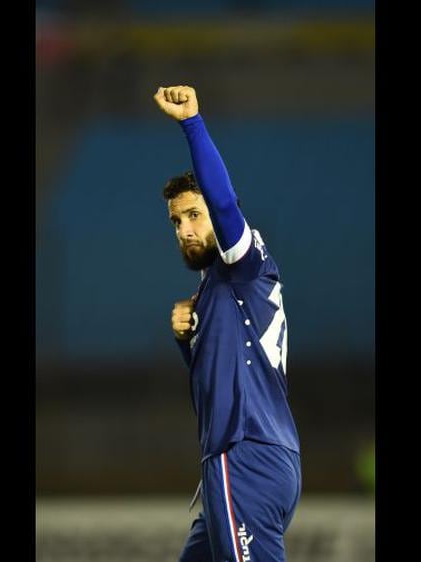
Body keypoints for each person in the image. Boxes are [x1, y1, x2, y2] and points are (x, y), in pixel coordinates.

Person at [154, 85, 302, 562]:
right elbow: (216, 380)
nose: (186, 229)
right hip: (267, 456)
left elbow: (224, 203)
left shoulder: (244, 264)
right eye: (177, 221)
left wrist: (192, 123)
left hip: (244, 455)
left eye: (195, 215)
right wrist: (186, 339)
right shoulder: (215, 294)